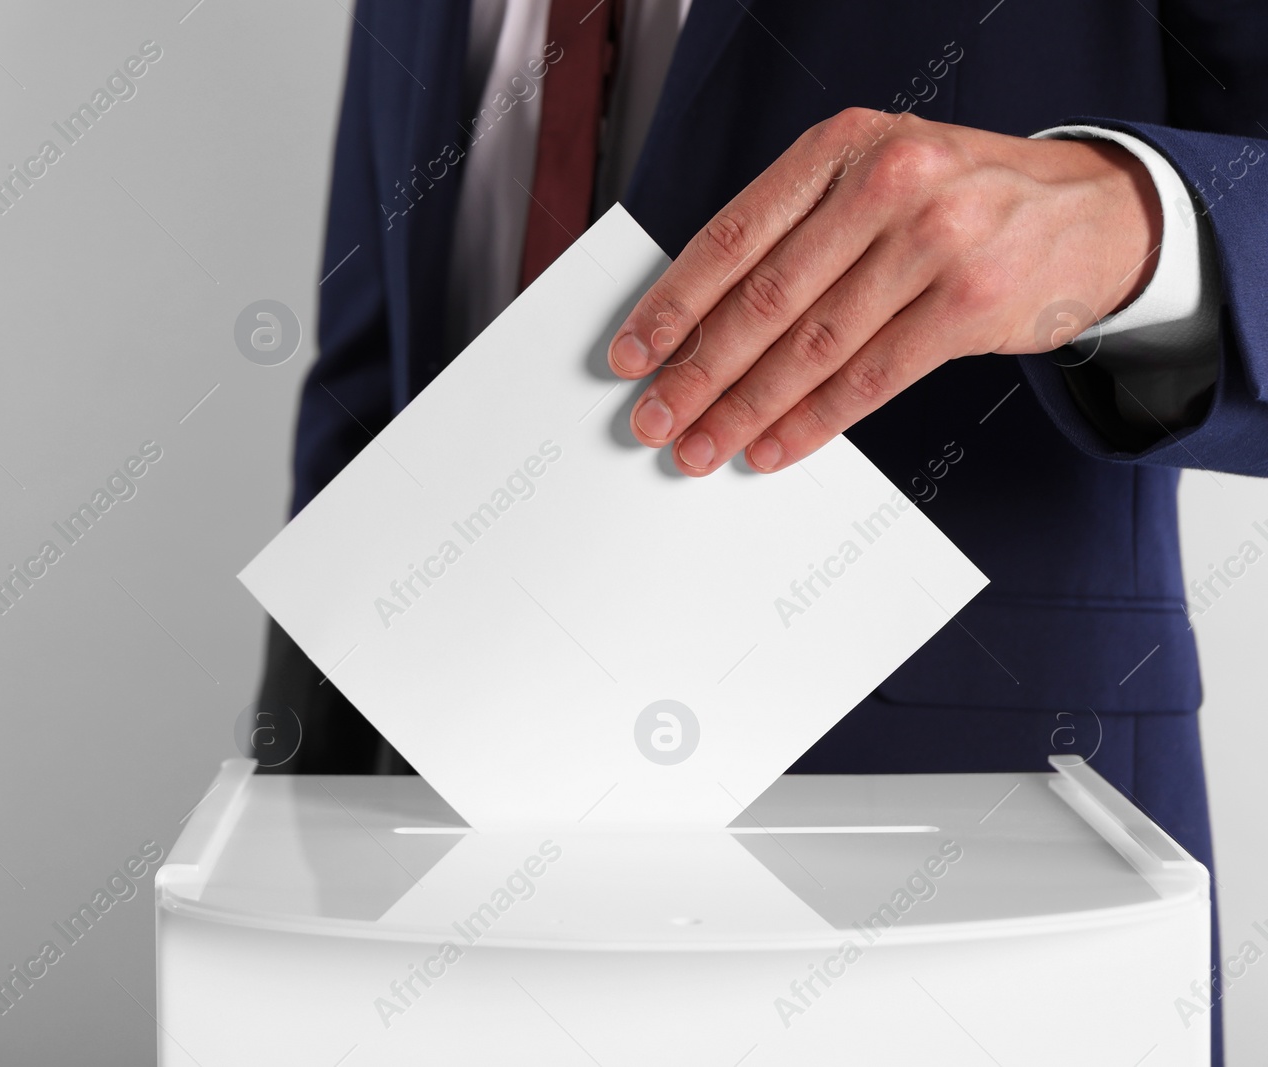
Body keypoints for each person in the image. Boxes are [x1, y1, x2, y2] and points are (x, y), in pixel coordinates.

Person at [256, 2, 1268, 1059]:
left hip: (961, 881)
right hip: (424, 896)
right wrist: (284, 819)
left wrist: (1127, 226)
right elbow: (367, 383)